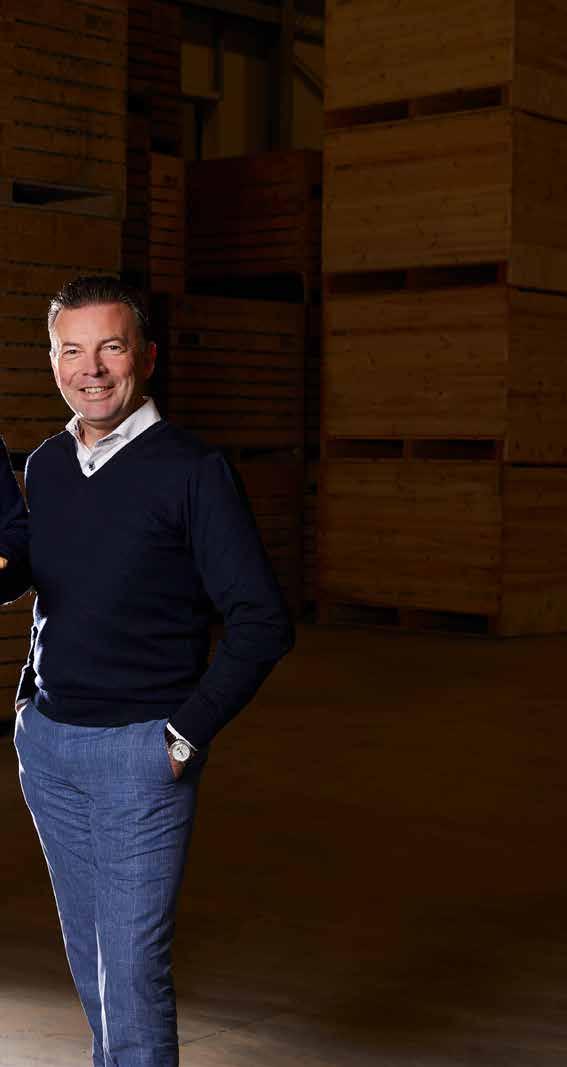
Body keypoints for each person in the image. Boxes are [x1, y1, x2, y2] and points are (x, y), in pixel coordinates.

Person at [2, 276, 295, 1066]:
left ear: (147, 355)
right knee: (93, 965)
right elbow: (49, 584)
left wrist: (184, 735)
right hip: (50, 750)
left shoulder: (193, 470)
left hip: (141, 754)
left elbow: (263, 620)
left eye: (111, 346)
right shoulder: (47, 465)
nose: (91, 368)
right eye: (71, 350)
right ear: (53, 361)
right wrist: (28, 701)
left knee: (131, 978)